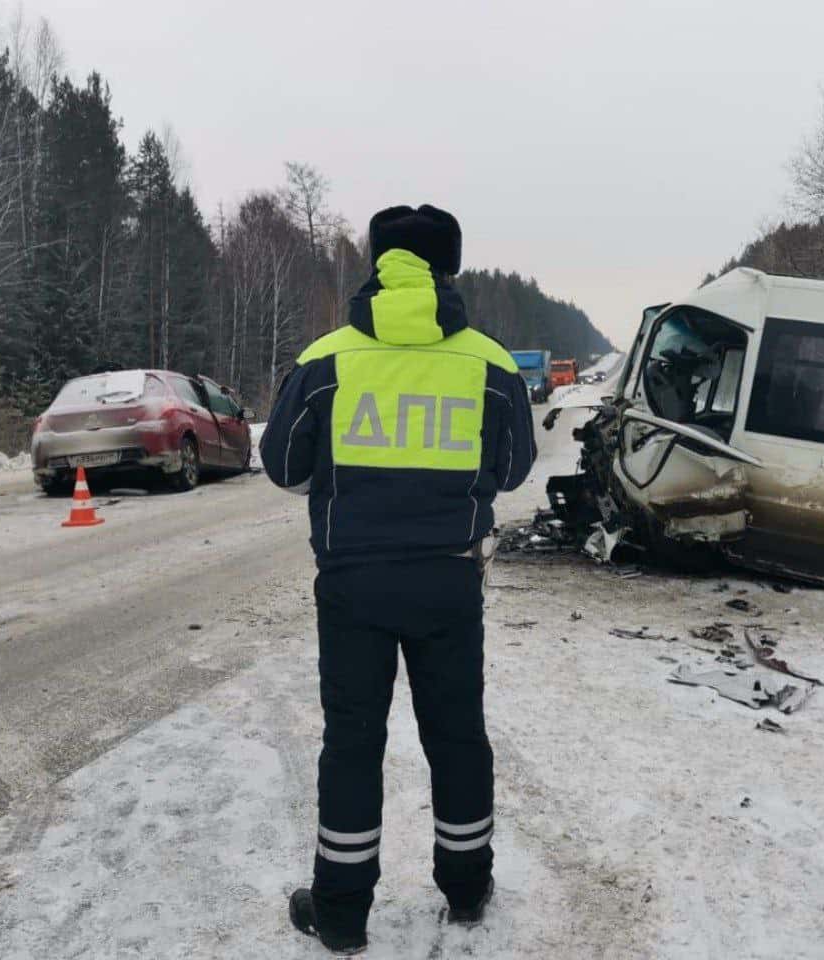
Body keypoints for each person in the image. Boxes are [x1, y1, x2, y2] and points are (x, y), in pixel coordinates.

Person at [260, 204, 537, 955]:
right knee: (457, 736)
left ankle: (343, 912)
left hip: (353, 587)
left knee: (352, 743)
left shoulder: (327, 357)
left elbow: (283, 466)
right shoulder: (492, 363)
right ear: (449, 268)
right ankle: (468, 887)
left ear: (376, 264)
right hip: (448, 583)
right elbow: (513, 470)